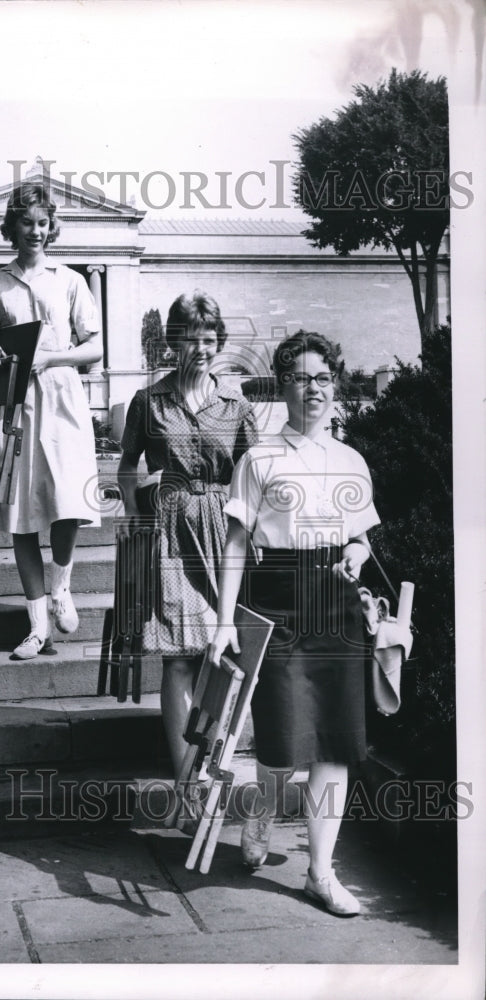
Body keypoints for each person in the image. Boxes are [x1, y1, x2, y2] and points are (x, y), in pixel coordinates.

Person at [209, 330, 380, 917]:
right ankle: (262, 807)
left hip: (336, 607)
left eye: (323, 378)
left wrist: (355, 552)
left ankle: (320, 873)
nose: (314, 389)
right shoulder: (259, 459)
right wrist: (224, 621)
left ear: (336, 385)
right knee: (282, 738)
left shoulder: (350, 460)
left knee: (334, 741)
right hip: (277, 603)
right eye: (302, 378)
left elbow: (360, 538)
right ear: (282, 386)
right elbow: (235, 542)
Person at [118, 292, 258, 785]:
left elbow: (254, 473)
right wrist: (135, 515)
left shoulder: (236, 405)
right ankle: (185, 778)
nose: (199, 349)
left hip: (224, 531)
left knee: (220, 653)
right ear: (173, 343)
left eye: (208, 339)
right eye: (189, 339)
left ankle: (210, 763)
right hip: (171, 533)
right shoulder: (148, 401)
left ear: (218, 342)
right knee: (178, 656)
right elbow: (126, 467)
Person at [0, 182, 103, 659]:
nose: (35, 230)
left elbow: (95, 346)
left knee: (68, 501)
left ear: (52, 228)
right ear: (13, 227)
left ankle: (61, 587)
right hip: (15, 403)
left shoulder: (69, 280)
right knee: (21, 514)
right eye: (26, 222)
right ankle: (36, 626)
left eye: (43, 223)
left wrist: (51, 358)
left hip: (62, 399)